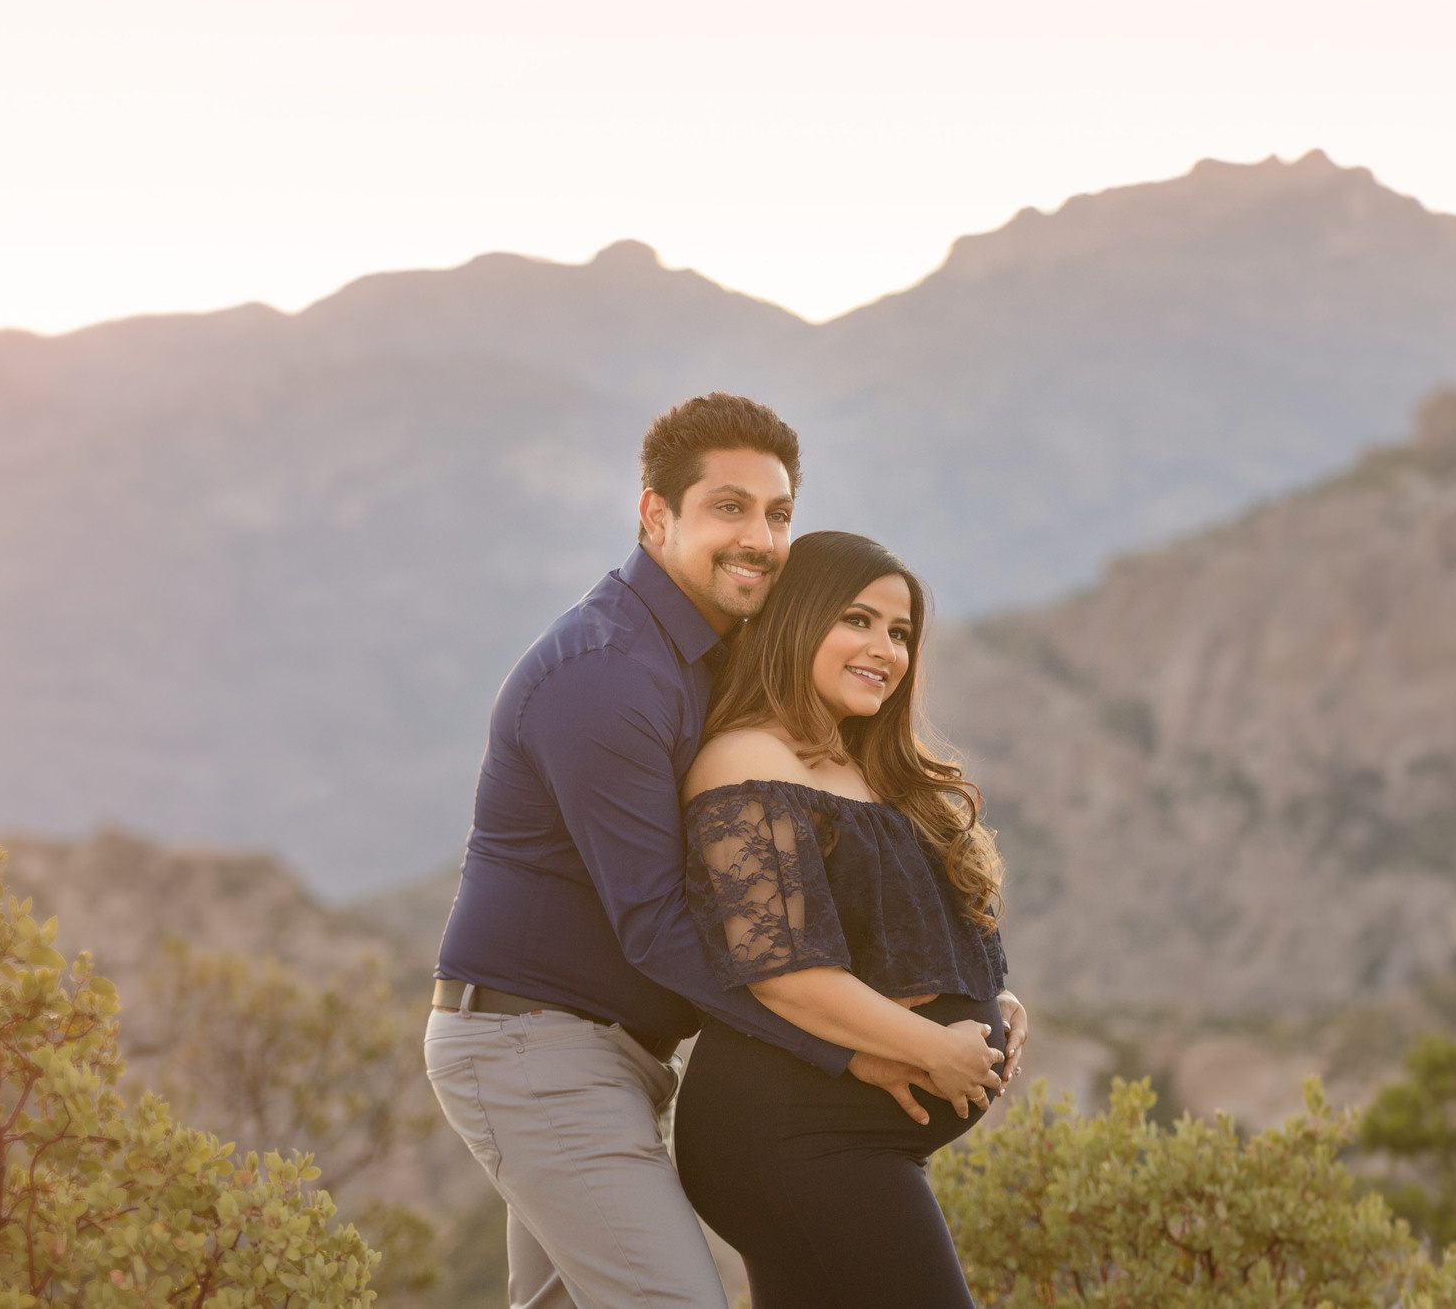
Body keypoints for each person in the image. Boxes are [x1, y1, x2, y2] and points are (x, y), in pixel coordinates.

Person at [425, 394, 1026, 1309]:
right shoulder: (607, 673)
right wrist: (860, 1052)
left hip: (613, 1051)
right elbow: (660, 926)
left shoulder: (707, 658)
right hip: (534, 1047)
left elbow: (795, 887)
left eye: (778, 512)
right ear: (655, 514)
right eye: (728, 506)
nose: (760, 535)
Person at [675, 529, 1009, 1309]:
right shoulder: (746, 760)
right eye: (858, 620)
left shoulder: (860, 767)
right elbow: (785, 971)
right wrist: (939, 1048)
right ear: (798, 620)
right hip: (790, 1137)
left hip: (846, 1141)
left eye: (900, 633)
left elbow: (889, 931)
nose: (884, 649)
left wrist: (992, 997)